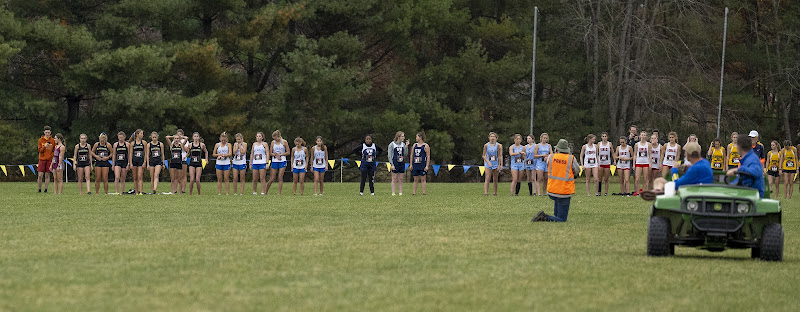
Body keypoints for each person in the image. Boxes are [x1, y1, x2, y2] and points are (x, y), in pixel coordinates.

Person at [640, 142, 712, 200]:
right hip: (702, 189)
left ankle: (658, 191)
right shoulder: (705, 162)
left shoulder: (695, 169)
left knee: (659, 181)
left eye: (685, 152)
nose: (685, 154)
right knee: (660, 181)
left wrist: (674, 169)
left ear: (689, 154)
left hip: (692, 191)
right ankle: (658, 191)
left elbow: (677, 184)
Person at [531, 139, 581, 223]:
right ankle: (544, 217)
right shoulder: (571, 158)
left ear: (557, 149)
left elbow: (548, 162)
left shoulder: (551, 157)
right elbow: (577, 170)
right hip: (564, 191)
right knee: (562, 220)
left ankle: (554, 217)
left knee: (557, 214)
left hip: (552, 190)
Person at [266, 130, 290, 195]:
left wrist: (281, 155)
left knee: (280, 177)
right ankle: (266, 191)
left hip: (282, 161)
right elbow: (270, 153)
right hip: (274, 161)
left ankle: (279, 193)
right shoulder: (273, 143)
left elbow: (288, 152)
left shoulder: (284, 142)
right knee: (272, 178)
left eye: (275, 137)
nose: (275, 139)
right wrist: (276, 155)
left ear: (278, 136)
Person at [388, 131, 409, 196]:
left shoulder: (403, 144)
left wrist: (406, 146)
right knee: (394, 179)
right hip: (395, 162)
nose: (403, 137)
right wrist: (392, 164)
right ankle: (393, 192)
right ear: (398, 137)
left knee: (401, 179)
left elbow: (405, 154)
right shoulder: (392, 144)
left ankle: (400, 192)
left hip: (401, 162)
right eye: (402, 136)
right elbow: (389, 155)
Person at [411, 132, 431, 196]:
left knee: (423, 178)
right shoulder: (414, 145)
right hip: (415, 164)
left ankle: (424, 192)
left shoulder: (425, 146)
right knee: (415, 179)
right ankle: (414, 192)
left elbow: (428, 156)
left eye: (417, 137)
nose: (416, 138)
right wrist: (411, 164)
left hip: (422, 164)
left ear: (420, 137)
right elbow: (411, 155)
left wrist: (427, 166)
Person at [37, 126, 55, 193]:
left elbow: (54, 150)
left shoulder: (52, 140)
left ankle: (46, 189)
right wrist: (45, 146)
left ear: (50, 132)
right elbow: (40, 150)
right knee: (40, 175)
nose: (47, 134)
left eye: (48, 132)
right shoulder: (40, 140)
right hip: (42, 159)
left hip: (49, 159)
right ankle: (39, 189)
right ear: (44, 132)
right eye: (46, 132)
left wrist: (52, 155)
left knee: (47, 175)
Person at [633, 131, 650, 196]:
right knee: (637, 179)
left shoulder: (648, 144)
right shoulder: (637, 144)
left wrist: (650, 163)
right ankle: (637, 193)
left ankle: (644, 192)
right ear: (640, 136)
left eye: (644, 135)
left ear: (646, 137)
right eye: (642, 135)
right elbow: (634, 154)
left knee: (645, 178)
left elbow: (650, 154)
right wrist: (634, 164)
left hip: (646, 162)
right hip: (638, 162)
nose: (643, 136)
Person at [130, 129, 146, 195]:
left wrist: (145, 162)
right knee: (135, 177)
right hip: (134, 161)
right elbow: (130, 154)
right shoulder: (133, 143)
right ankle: (136, 192)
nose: (142, 135)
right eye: (141, 133)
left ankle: (141, 192)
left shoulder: (144, 143)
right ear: (137, 134)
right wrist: (130, 163)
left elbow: (146, 153)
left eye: (142, 133)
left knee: (140, 176)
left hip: (141, 161)